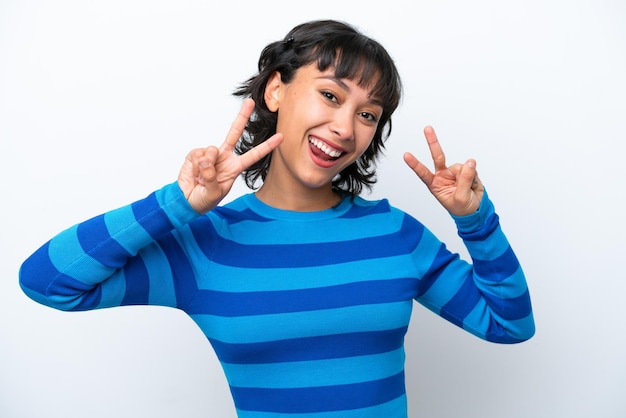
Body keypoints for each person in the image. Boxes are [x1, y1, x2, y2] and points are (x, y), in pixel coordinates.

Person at [19, 19, 535, 417]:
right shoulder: (206, 244)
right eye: (330, 95)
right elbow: (48, 281)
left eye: (367, 114)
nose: (344, 126)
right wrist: (177, 204)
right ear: (275, 91)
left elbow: (509, 325)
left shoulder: (394, 234)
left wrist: (477, 220)